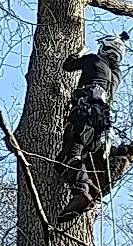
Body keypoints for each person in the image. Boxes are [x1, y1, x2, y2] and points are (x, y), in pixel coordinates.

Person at [54, 32, 129, 222]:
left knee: (70, 155)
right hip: (102, 123)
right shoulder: (117, 76)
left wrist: (78, 54)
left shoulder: (93, 59)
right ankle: (90, 189)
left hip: (85, 112)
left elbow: (67, 66)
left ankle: (82, 192)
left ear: (104, 49)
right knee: (68, 160)